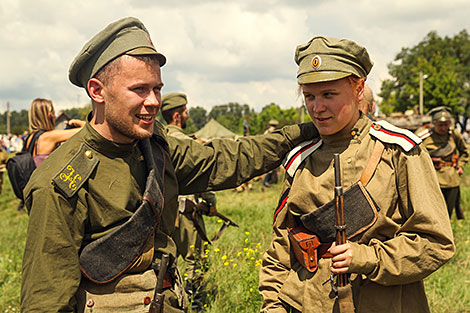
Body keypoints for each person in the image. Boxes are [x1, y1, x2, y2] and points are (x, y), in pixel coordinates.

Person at [21, 17, 318, 313]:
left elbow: (226, 159)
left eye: (157, 89)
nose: (153, 102)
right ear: (97, 91)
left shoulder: (155, 148)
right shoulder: (59, 182)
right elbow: (45, 299)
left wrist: (305, 132)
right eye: (139, 89)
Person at [258, 36, 455, 313]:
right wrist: (273, 308)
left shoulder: (399, 152)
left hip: (385, 303)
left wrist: (368, 257)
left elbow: (437, 243)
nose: (317, 108)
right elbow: (281, 250)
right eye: (309, 96)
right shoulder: (299, 160)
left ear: (358, 89)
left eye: (329, 95)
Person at [161, 92, 217, 312]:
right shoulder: (185, 143)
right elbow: (204, 178)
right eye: (185, 111)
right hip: (187, 215)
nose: (187, 115)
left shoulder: (156, 140)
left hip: (164, 215)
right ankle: (196, 306)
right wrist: (211, 203)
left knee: (166, 260)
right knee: (195, 261)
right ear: (177, 116)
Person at [416, 106, 469, 219]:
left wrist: (460, 165)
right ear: (434, 123)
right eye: (440, 125)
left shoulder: (453, 135)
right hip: (431, 178)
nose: (443, 128)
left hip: (451, 179)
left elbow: (465, 151)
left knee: (447, 214)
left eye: (446, 124)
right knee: (432, 213)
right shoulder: (423, 136)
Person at [262, 120, 280, 189]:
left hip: (266, 151)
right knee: (271, 168)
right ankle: (265, 182)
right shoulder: (273, 132)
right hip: (271, 151)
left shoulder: (266, 132)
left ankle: (268, 181)